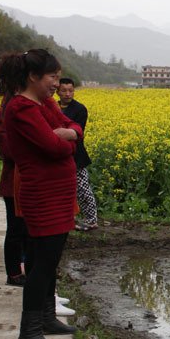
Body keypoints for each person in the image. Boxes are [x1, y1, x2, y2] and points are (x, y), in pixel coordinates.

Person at [0, 49, 83, 339]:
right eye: (53, 77)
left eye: (59, 78)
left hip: (58, 192)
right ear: (33, 76)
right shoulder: (21, 108)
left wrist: (66, 134)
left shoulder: (43, 103)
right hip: (41, 194)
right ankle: (29, 331)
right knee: (41, 261)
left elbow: (74, 129)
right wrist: (66, 139)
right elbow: (53, 147)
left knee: (50, 257)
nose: (57, 85)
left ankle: (47, 318)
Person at [0, 96, 27, 286]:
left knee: (28, 231)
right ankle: (13, 274)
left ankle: (25, 269)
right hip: (12, 182)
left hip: (29, 181)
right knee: (15, 229)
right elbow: (10, 151)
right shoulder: (2, 116)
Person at [57, 78, 98, 231]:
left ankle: (91, 220)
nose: (67, 94)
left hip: (76, 155)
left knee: (82, 188)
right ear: (57, 91)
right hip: (58, 154)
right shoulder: (53, 107)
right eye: (64, 91)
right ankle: (67, 219)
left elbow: (77, 133)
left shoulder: (80, 109)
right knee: (62, 189)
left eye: (70, 90)